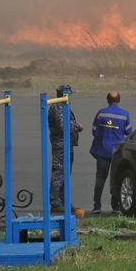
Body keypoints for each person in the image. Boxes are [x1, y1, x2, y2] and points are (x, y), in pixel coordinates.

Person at [89, 91, 133, 214]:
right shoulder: (125, 115)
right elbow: (129, 133)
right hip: (117, 153)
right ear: (119, 100)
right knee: (116, 179)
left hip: (102, 152)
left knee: (100, 179)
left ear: (107, 100)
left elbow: (94, 131)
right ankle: (116, 206)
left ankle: (97, 206)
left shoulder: (101, 113)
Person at [48, 83, 83, 212]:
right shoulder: (58, 108)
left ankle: (63, 200)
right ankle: (55, 202)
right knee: (59, 173)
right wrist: (77, 126)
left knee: (65, 174)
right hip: (61, 146)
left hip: (66, 145)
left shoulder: (63, 107)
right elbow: (63, 126)